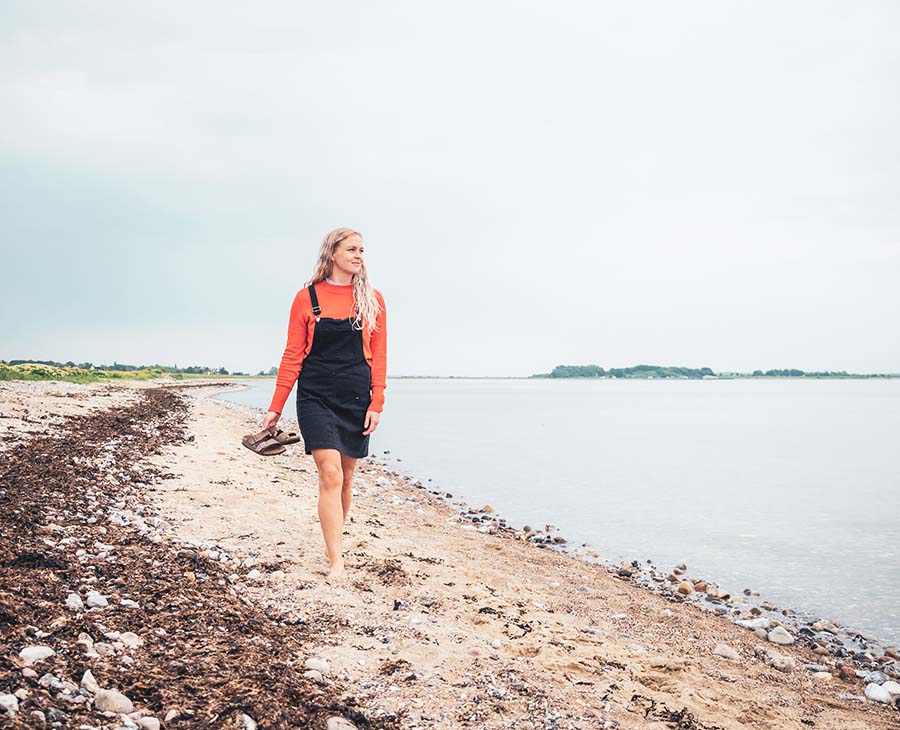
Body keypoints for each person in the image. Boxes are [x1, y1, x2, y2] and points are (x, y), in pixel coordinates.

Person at [261, 227, 387, 585]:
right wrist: (275, 407)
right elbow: (292, 356)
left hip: (356, 396)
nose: (359, 256)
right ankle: (336, 561)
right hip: (315, 395)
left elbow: (379, 356)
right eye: (352, 249)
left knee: (346, 478)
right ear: (332, 253)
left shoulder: (373, 299)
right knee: (330, 473)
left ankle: (336, 543)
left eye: (362, 250)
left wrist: (377, 401)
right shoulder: (306, 298)